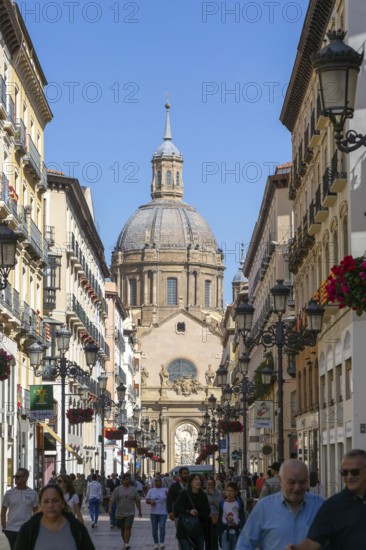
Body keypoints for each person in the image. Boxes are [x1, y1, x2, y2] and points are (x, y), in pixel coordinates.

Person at [285, 449, 366, 550]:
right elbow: (314, 541)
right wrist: (295, 548)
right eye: (344, 472)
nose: (349, 477)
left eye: (354, 472)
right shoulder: (333, 505)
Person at [236, 459, 324, 550]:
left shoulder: (319, 505)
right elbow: (244, 544)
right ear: (281, 481)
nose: (297, 487)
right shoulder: (264, 507)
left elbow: (333, 540)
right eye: (291, 482)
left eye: (302, 482)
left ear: (307, 482)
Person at [13, 483, 95, 550]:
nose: (50, 505)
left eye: (55, 501)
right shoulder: (28, 530)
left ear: (63, 503)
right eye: (46, 501)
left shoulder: (77, 528)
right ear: (40, 505)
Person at [1, 467, 39, 550]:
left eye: (18, 477)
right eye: (15, 476)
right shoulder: (9, 493)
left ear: (25, 478)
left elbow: (36, 511)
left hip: (26, 529)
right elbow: (3, 510)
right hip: (11, 529)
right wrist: (4, 527)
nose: (15, 479)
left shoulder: (33, 493)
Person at [173, 473, 211, 550]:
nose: (198, 481)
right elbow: (176, 508)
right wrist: (188, 512)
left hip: (199, 529)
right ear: (191, 482)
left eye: (200, 480)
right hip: (185, 529)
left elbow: (207, 511)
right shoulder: (184, 494)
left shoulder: (203, 495)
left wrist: (198, 514)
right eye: (196, 479)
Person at [108, 472, 142, 550]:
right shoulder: (117, 489)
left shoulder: (133, 489)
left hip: (130, 512)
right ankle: (125, 543)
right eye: (126, 479)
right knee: (123, 529)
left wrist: (139, 511)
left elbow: (137, 501)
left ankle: (126, 543)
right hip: (120, 512)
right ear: (123, 480)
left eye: (129, 479)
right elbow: (112, 500)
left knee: (128, 527)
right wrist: (110, 508)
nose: (128, 480)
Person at [218, 481, 245, 550]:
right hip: (225, 532)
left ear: (235, 492)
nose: (229, 492)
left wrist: (241, 528)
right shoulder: (222, 503)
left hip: (236, 532)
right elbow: (220, 518)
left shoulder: (239, 503)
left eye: (231, 491)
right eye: (227, 490)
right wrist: (220, 531)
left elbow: (242, 517)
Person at [146, 475, 168, 550]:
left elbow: (169, 499)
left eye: (158, 481)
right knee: (154, 528)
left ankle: (161, 542)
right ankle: (156, 543)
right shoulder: (151, 490)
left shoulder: (165, 490)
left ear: (161, 482)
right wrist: (150, 501)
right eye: (155, 481)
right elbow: (147, 500)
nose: (156, 482)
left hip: (163, 513)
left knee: (162, 527)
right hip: (154, 513)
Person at [205, 477, 222, 550]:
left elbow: (219, 505)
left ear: (214, 485)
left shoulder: (218, 493)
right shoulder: (203, 493)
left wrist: (213, 495)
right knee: (207, 538)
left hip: (215, 517)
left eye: (211, 484)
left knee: (214, 537)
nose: (209, 486)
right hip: (206, 517)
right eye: (208, 484)